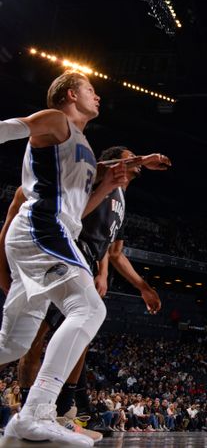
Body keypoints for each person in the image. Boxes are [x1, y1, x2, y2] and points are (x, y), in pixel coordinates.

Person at [1, 146, 168, 437]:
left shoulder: (122, 199)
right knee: (33, 341)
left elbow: (113, 250)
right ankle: (30, 410)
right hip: (63, 257)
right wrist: (142, 158)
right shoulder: (91, 178)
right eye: (127, 158)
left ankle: (63, 413)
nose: (134, 165)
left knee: (80, 340)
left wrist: (135, 284)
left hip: (87, 263)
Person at [0, 70, 128, 446]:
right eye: (91, 90)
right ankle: (36, 413)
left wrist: (106, 186)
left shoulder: (82, 143)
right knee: (89, 309)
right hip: (43, 229)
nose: (97, 96)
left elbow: (77, 210)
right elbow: (9, 128)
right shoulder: (56, 120)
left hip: (53, 231)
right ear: (71, 94)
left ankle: (34, 414)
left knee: (13, 345)